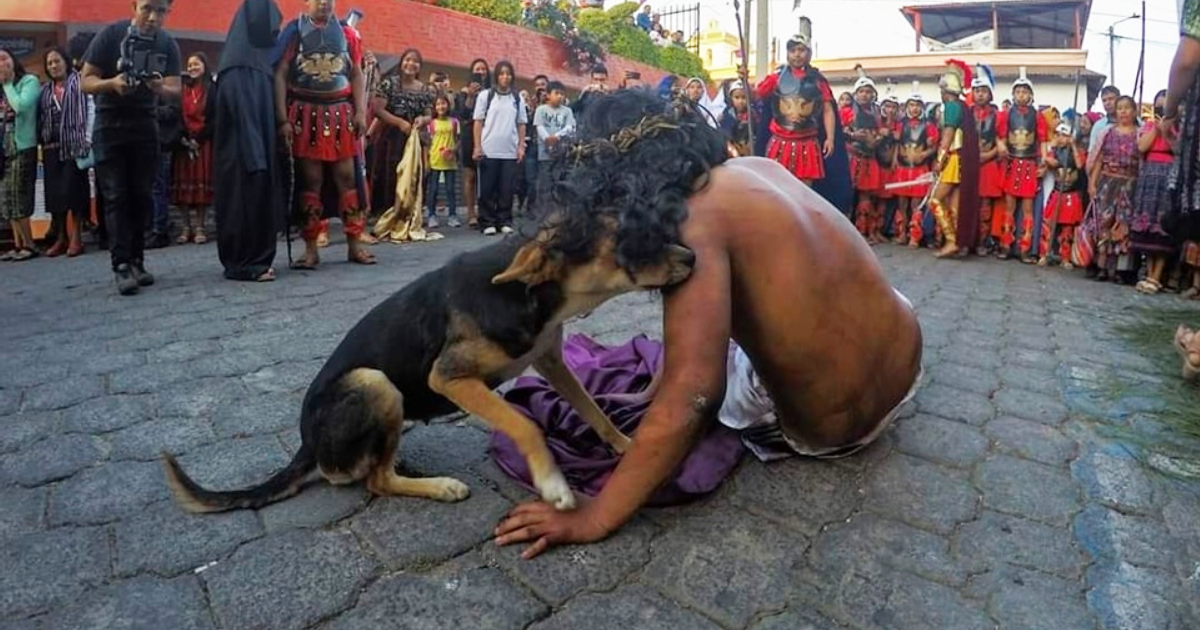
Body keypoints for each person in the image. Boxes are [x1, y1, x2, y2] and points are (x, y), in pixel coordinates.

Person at [492, 90, 923, 559]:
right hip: (906, 358)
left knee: (705, 371)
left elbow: (695, 394)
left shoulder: (693, 222)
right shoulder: (756, 166)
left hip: (836, 429)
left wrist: (596, 516)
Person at [81, 0, 182, 295]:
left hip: (145, 124)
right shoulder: (111, 34)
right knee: (115, 196)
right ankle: (121, 264)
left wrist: (160, 88)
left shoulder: (167, 43)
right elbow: (85, 80)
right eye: (147, 8)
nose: (153, 17)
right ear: (134, 5)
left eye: (161, 11)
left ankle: (138, 260)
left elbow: (176, 89)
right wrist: (111, 83)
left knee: (142, 195)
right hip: (109, 124)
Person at [275, 0, 373, 269]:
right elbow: (281, 73)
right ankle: (310, 249)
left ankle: (355, 246)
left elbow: (356, 73)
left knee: (347, 178)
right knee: (311, 180)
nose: (324, 3)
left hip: (341, 112)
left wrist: (361, 112)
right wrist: (282, 118)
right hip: (305, 113)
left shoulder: (348, 34)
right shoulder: (294, 31)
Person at [212, 0, 282, 282]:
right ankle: (245, 263)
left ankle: (254, 259)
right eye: (272, 26)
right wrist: (257, 158)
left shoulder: (249, 61)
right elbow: (244, 115)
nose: (275, 32)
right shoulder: (241, 67)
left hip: (255, 153)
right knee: (244, 201)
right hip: (247, 157)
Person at [748, 17, 835, 187]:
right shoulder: (775, 78)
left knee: (804, 190)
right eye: (793, 50)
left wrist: (830, 138)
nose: (797, 54)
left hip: (807, 143)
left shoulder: (818, 80)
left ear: (808, 54)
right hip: (780, 141)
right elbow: (756, 97)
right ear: (788, 53)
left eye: (801, 50)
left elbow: (827, 109)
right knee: (777, 188)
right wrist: (745, 81)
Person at [38, 46, 91, 258]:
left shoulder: (80, 82)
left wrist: (88, 138)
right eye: (49, 63)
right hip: (51, 147)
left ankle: (77, 237)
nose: (53, 66)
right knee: (55, 196)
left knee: (75, 192)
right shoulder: (45, 90)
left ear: (66, 61)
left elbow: (89, 108)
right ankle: (61, 237)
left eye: (57, 61)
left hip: (75, 145)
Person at [927, 59, 981, 259]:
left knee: (936, 200)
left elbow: (947, 136)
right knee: (955, 205)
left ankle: (951, 241)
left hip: (954, 160)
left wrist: (940, 160)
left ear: (945, 90)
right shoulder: (962, 107)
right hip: (962, 160)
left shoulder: (951, 106)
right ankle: (962, 243)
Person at [1087, 95, 1140, 283]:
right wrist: (1092, 183)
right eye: (1120, 108)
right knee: (1104, 224)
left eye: (1127, 108)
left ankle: (1120, 270)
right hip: (1107, 183)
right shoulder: (1108, 133)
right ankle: (1101, 266)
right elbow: (1100, 160)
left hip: (1129, 185)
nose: (1123, 112)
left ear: (1134, 111)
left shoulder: (1140, 135)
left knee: (1123, 226)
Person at [996, 68, 1046, 264]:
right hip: (1012, 162)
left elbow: (1042, 140)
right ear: (1013, 94)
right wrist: (1000, 144)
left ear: (1031, 95)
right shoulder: (1006, 114)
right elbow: (1000, 135)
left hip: (1029, 164)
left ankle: (1024, 248)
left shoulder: (1038, 116)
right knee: (1009, 206)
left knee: (1027, 208)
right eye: (1018, 92)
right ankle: (1006, 245)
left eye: (1025, 92)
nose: (1021, 95)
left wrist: (1042, 162)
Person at [472, 60, 527, 236]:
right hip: (489, 149)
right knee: (487, 189)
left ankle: (504, 220)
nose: (505, 77)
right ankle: (486, 221)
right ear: (496, 76)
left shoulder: (517, 99)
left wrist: (520, 147)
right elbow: (478, 122)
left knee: (507, 189)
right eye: (502, 73)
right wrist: (477, 146)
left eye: (508, 73)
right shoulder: (485, 96)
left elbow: (521, 124)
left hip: (509, 151)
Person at [1131, 90, 1177, 294]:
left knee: (1162, 224)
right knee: (1147, 224)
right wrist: (1157, 129)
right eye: (1159, 106)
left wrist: (1167, 131)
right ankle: (1150, 274)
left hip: (1169, 174)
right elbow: (1141, 147)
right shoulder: (1149, 126)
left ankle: (1157, 275)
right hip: (1149, 175)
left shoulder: (1179, 128)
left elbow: (1178, 150)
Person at [0, 48, 41, 263]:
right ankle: (18, 244)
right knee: (7, 200)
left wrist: (7, 84)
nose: (1, 63)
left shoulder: (29, 82)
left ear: (14, 61)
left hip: (22, 146)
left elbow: (22, 107)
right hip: (4, 149)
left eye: (4, 58)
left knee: (19, 198)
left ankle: (30, 244)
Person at [173, 52, 214, 245]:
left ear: (205, 66)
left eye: (196, 64)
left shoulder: (212, 89)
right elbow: (176, 114)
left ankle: (200, 227)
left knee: (201, 188)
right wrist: (184, 138)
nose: (192, 68)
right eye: (189, 65)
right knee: (182, 188)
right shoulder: (182, 89)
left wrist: (198, 139)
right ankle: (185, 227)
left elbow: (215, 117)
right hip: (183, 144)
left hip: (203, 143)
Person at [891, 82, 938, 247]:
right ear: (907, 107)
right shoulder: (900, 124)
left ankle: (915, 235)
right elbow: (898, 144)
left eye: (917, 105)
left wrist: (925, 153)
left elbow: (933, 147)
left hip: (919, 169)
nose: (914, 109)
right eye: (911, 105)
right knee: (902, 202)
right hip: (903, 168)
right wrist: (895, 160)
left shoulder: (929, 126)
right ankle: (901, 233)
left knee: (916, 204)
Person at [843, 66, 884, 243]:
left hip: (870, 158)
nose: (865, 95)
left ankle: (863, 231)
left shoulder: (876, 113)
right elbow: (838, 131)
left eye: (868, 92)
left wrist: (878, 139)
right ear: (856, 93)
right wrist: (852, 135)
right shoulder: (846, 111)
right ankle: (845, 232)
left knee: (866, 197)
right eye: (861, 91)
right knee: (848, 195)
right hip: (852, 157)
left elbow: (881, 131)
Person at [969, 64, 1005, 256]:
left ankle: (984, 241)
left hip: (989, 164)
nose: (980, 94)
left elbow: (1001, 140)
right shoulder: (967, 113)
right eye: (977, 91)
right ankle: (969, 240)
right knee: (969, 202)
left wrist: (987, 155)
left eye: (984, 91)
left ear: (990, 94)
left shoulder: (998, 116)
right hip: (969, 164)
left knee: (985, 205)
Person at [1039, 121, 1086, 268]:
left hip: (1070, 194)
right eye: (1058, 135)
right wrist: (1052, 154)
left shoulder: (1077, 151)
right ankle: (1044, 254)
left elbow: (1079, 165)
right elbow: (1048, 160)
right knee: (1049, 225)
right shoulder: (1054, 151)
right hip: (1057, 192)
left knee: (1067, 228)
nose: (1060, 138)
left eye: (1064, 135)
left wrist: (1072, 145)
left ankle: (1065, 257)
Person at [454, 58, 489, 229]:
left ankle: (486, 211)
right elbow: (463, 114)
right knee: (470, 176)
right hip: (469, 135)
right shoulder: (463, 92)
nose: (481, 72)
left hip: (488, 134)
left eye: (483, 69)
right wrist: (470, 95)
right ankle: (470, 213)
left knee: (487, 175)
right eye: (477, 69)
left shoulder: (492, 92)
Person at [424, 93, 462, 228]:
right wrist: (426, 160)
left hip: (450, 161)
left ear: (448, 105)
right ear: (435, 107)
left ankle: (452, 215)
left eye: (443, 103)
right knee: (433, 189)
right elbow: (428, 143)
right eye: (438, 104)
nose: (441, 106)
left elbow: (458, 141)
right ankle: (431, 215)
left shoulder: (454, 122)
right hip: (435, 160)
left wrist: (453, 150)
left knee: (450, 189)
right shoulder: (431, 123)